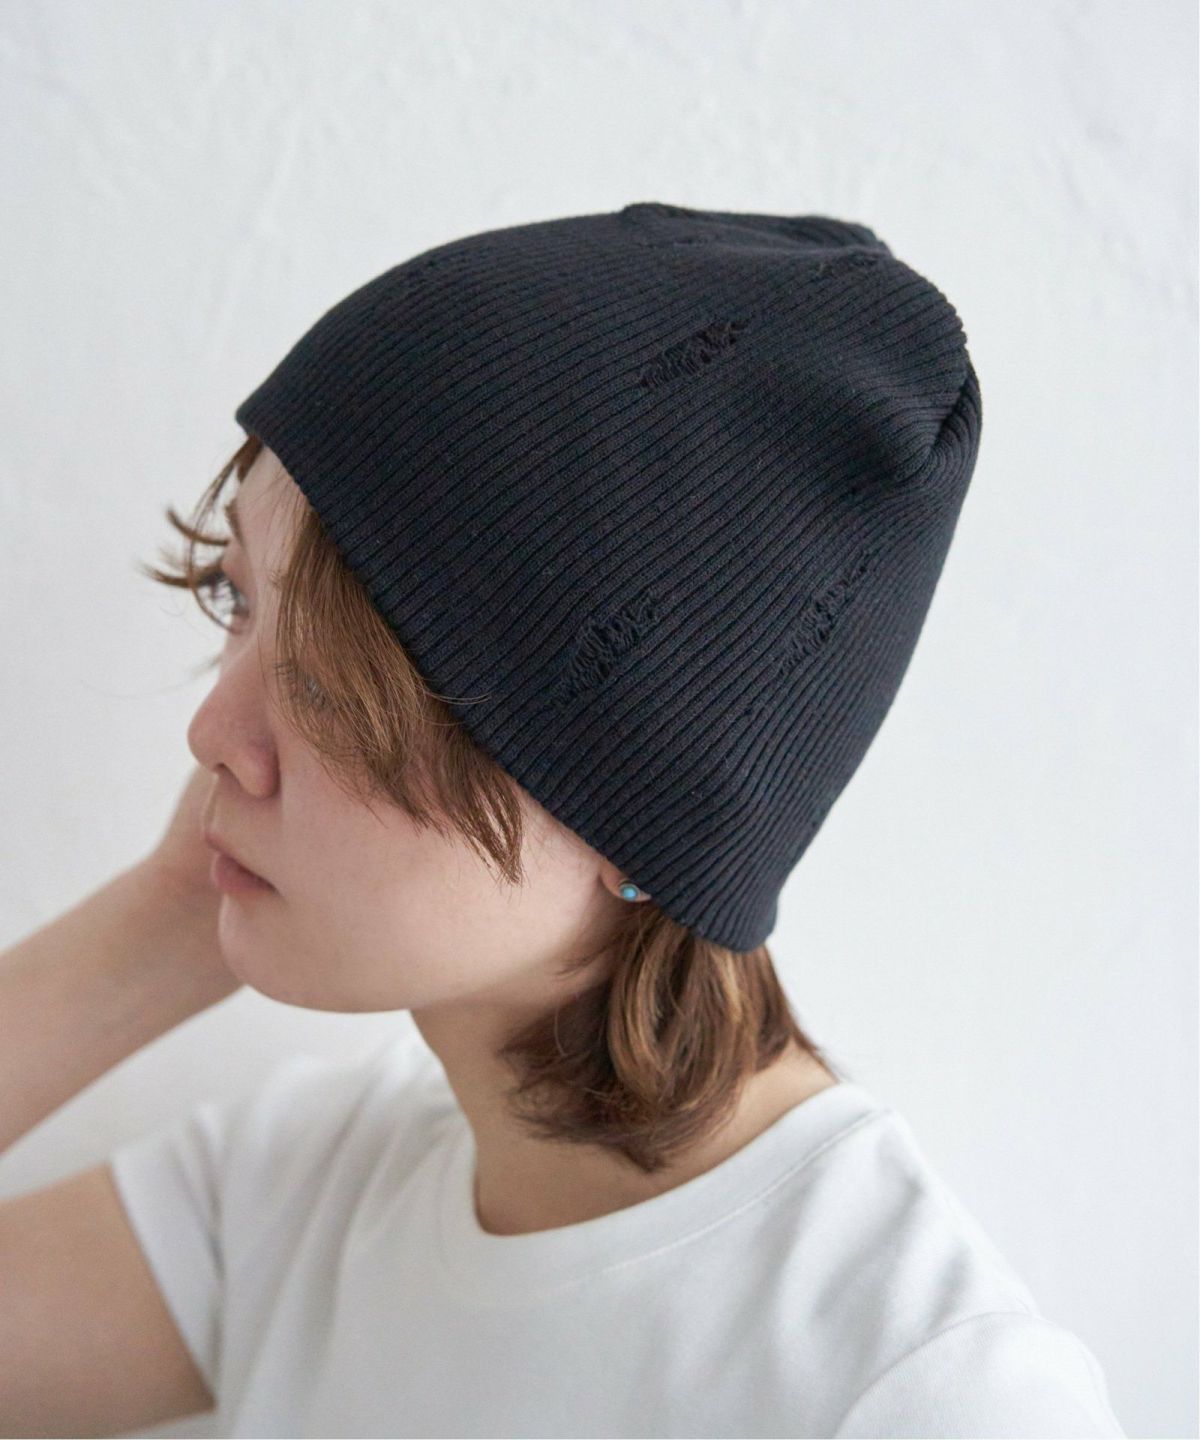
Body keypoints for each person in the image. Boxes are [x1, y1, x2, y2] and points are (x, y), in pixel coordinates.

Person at [0, 203, 1125, 1438]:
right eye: (239, 601)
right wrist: (166, 920)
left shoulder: (926, 1395)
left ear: (640, 817)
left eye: (332, 685)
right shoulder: (316, 1193)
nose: (212, 732)